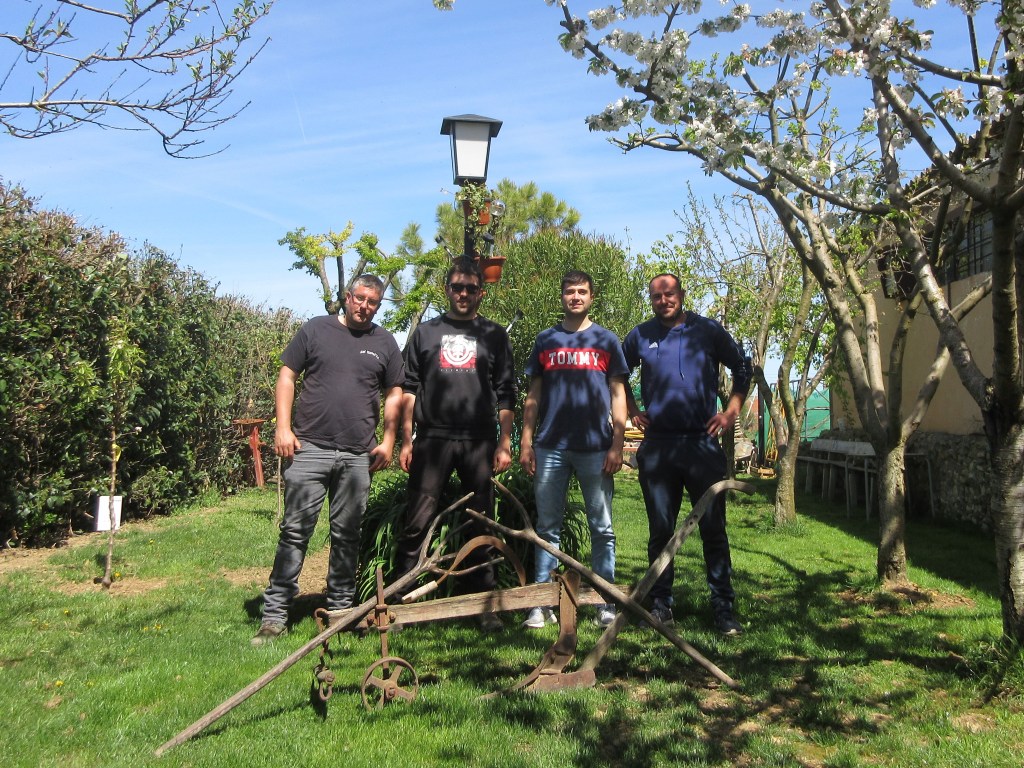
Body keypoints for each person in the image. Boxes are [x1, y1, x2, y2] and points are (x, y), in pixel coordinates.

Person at [252, 275, 404, 646]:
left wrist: (388, 440)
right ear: (347, 297)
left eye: (372, 302)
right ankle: (274, 616)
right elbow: (287, 375)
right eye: (359, 298)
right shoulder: (315, 330)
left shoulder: (384, 342)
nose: (364, 306)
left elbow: (395, 390)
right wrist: (283, 427)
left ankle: (341, 611)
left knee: (347, 536)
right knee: (294, 533)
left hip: (357, 455)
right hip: (309, 448)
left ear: (378, 306)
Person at [623, 273, 752, 636]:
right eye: (656, 296)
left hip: (701, 444)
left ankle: (723, 609)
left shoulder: (707, 331)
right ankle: (661, 604)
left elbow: (743, 367)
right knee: (661, 530)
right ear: (651, 299)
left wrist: (730, 412)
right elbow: (616, 373)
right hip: (659, 446)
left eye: (670, 293)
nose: (664, 300)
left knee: (713, 529)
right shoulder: (640, 335)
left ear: (681, 294)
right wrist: (633, 407)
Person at [393, 256, 516, 631]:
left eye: (471, 288)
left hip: (479, 441)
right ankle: (401, 605)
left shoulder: (494, 335)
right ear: (447, 290)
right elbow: (409, 389)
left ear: (481, 292)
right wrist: (406, 439)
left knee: (481, 523)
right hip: (432, 440)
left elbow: (506, 393)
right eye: (457, 287)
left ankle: (482, 606)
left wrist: (505, 443)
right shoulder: (426, 333)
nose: (463, 293)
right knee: (417, 522)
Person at [519, 270, 628, 629]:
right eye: (570, 291)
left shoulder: (607, 341)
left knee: (603, 527)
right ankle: (541, 603)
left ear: (591, 297)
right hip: (550, 446)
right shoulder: (546, 341)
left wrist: (617, 443)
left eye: (582, 291)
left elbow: (617, 394)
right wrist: (526, 440)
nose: (575, 297)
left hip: (595, 448)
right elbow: (533, 395)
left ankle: (604, 600)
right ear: (562, 296)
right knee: (547, 527)